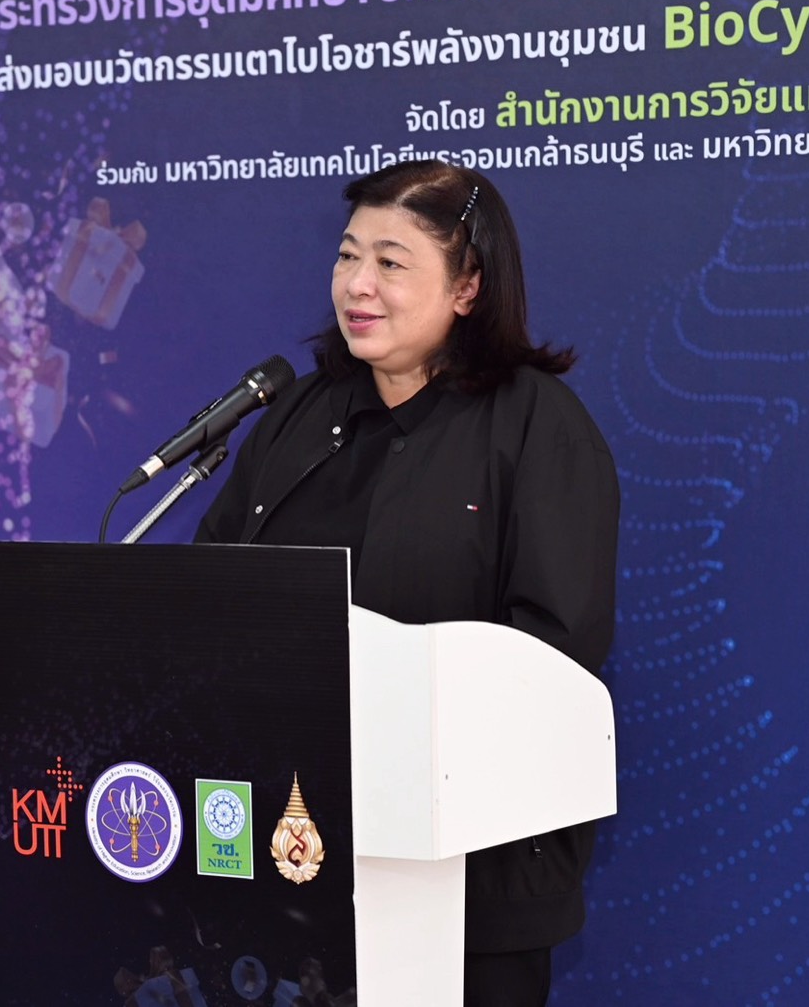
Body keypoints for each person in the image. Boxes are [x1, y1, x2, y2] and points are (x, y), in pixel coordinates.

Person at [195, 160, 619, 1007]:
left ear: (467, 286)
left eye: (390, 262)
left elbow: (554, 657)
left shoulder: (536, 425)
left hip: (469, 878)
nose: (357, 283)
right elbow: (211, 588)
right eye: (348, 255)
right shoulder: (297, 417)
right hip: (292, 863)